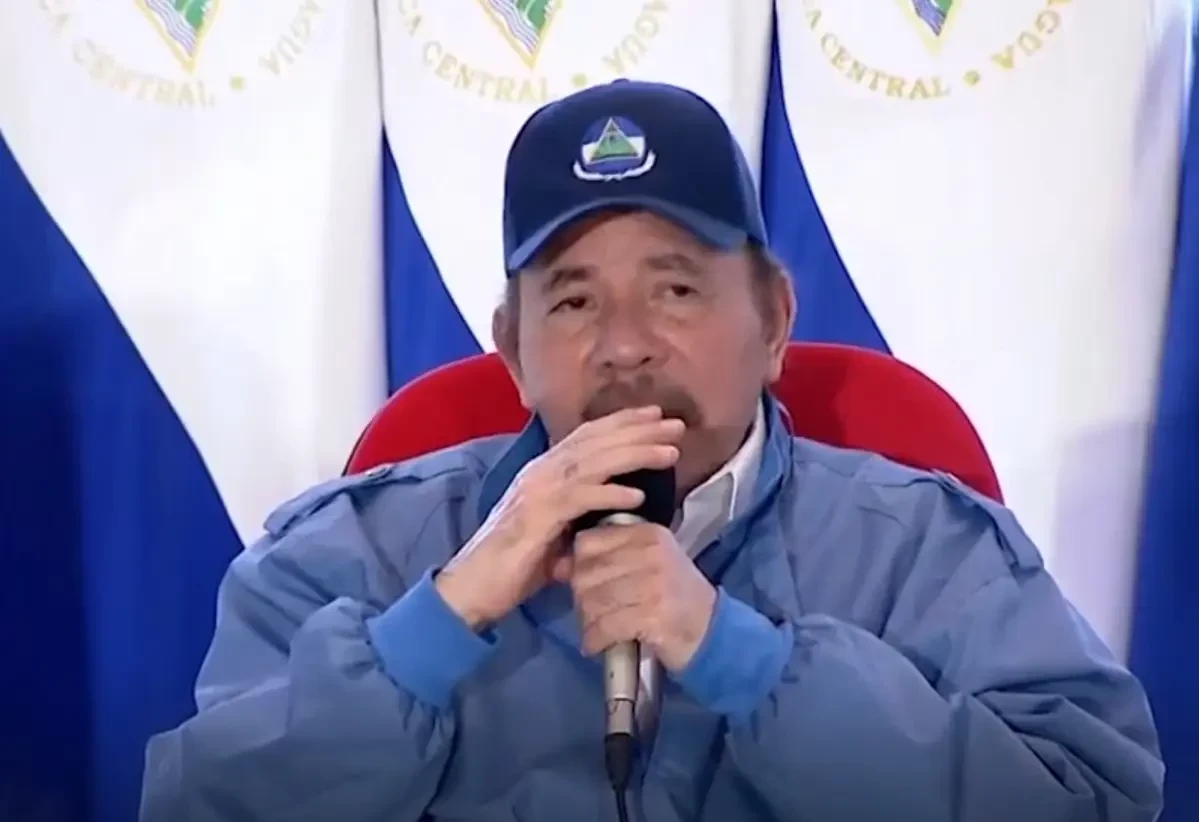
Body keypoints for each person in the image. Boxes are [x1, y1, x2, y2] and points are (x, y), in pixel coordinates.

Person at [140, 80, 1165, 821]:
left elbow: (1089, 798)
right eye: (573, 302)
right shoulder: (351, 551)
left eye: (674, 290)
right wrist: (437, 623)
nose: (624, 344)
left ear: (773, 321)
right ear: (511, 350)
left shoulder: (922, 548)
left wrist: (744, 660)